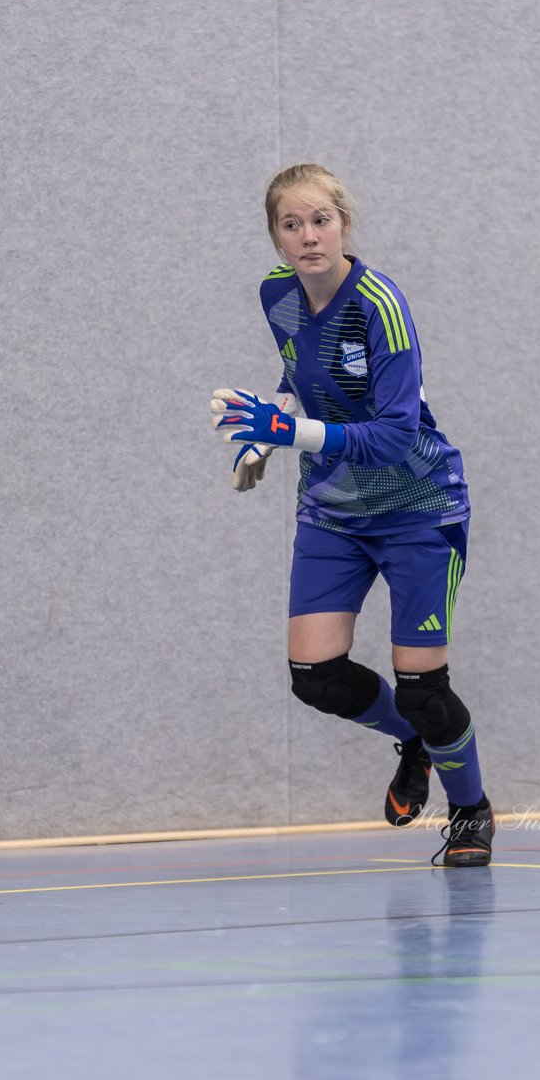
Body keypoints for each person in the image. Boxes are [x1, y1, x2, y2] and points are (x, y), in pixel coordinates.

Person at [211, 163, 493, 866]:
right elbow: (300, 373)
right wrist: (265, 435)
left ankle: (471, 811)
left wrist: (293, 433)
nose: (308, 236)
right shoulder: (277, 294)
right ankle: (414, 743)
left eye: (321, 220)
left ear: (343, 224)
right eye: (291, 224)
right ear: (275, 237)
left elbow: (395, 435)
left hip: (418, 507)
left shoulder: (379, 306)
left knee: (424, 689)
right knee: (316, 676)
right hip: (334, 510)